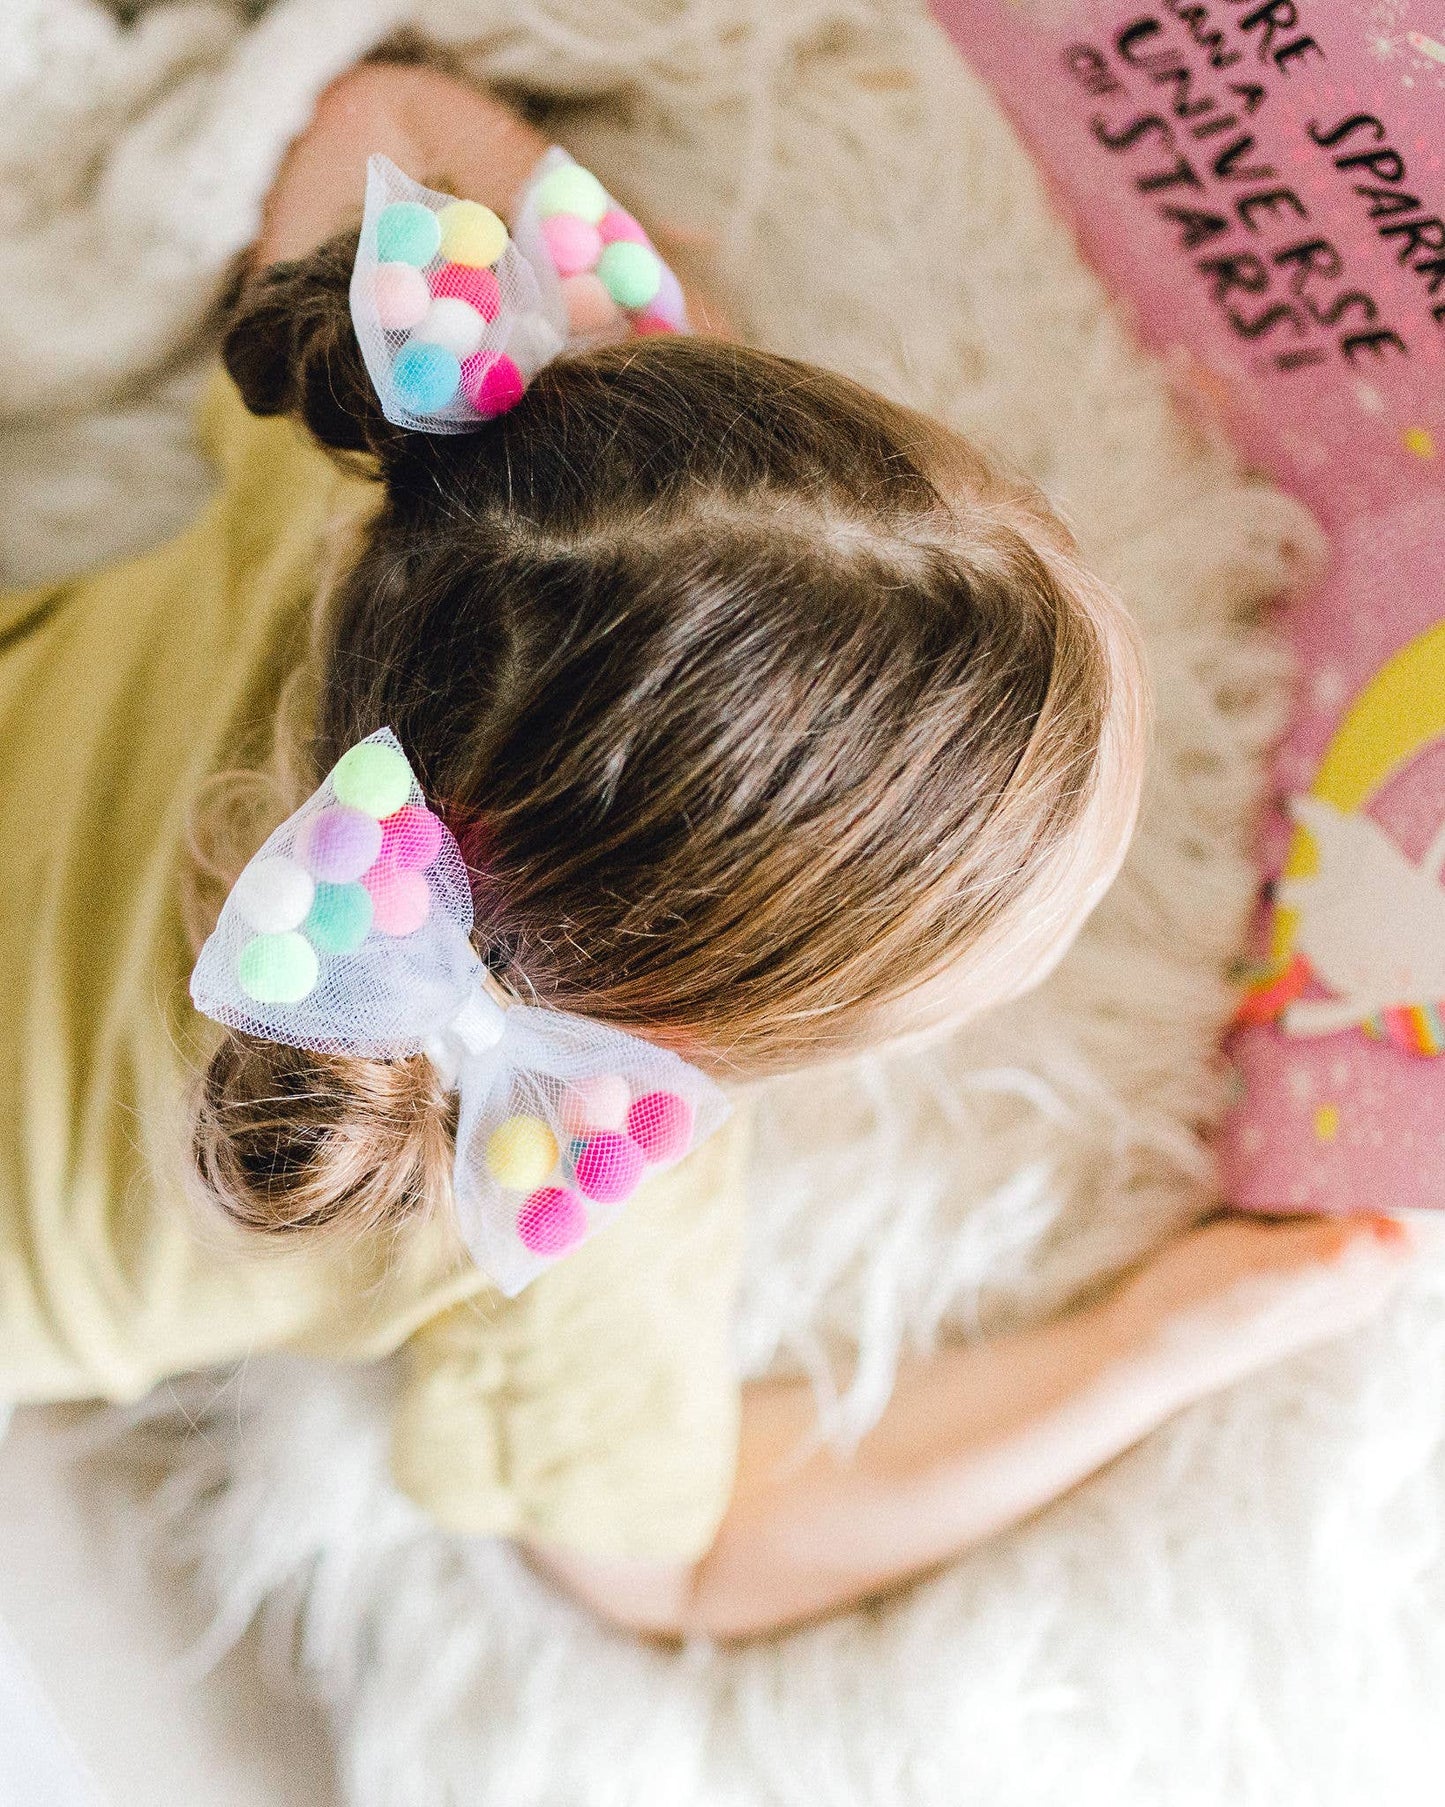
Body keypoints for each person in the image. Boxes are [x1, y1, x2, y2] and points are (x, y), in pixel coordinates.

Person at [0, 50, 1410, 1645]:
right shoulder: (571, 1197)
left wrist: (641, 349)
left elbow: (374, 120)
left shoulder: (377, 506)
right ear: (692, 1033)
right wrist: (1161, 1340)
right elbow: (686, 1564)